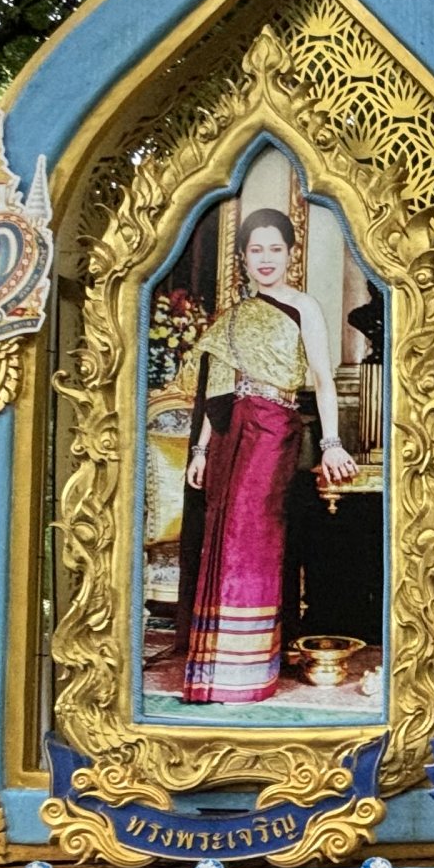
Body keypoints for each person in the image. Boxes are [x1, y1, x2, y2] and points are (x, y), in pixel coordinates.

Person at [180, 207, 357, 702]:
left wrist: (331, 442)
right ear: (241, 257)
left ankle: (251, 669)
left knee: (254, 535)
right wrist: (199, 450)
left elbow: (322, 380)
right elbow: (216, 388)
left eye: (274, 249)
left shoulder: (303, 307)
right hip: (229, 436)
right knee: (224, 533)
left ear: (290, 255)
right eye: (255, 250)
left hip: (275, 432)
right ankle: (218, 669)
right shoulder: (232, 317)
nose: (265, 258)